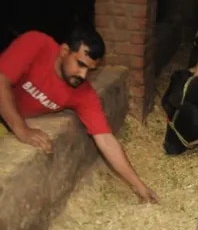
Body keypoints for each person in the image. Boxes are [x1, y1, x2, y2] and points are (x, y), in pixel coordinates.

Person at [0, 26, 158, 204]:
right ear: (64, 51)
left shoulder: (83, 93)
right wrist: (22, 130)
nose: (83, 75)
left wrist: (139, 186)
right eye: (80, 64)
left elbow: (106, 139)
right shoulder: (36, 43)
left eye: (90, 70)